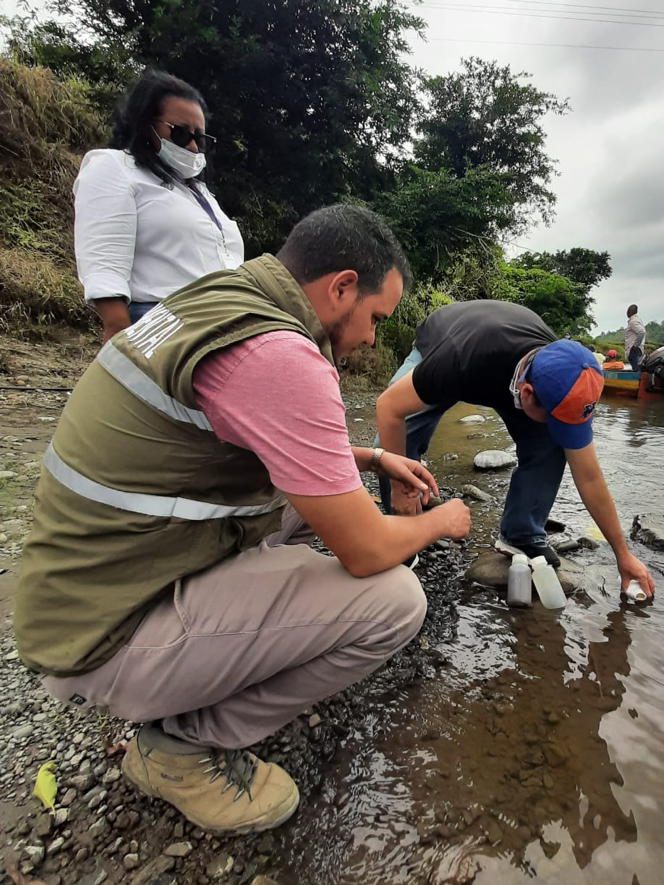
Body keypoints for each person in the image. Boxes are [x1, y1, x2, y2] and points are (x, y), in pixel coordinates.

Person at [14, 205, 471, 834]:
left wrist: (370, 458)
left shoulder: (218, 299)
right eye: (374, 318)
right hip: (102, 637)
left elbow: (254, 433)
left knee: (321, 504)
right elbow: (366, 553)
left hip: (80, 583)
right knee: (394, 600)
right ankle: (179, 749)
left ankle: (198, 672)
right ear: (340, 287)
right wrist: (442, 521)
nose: (371, 337)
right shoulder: (280, 353)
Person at [374, 300, 655, 595]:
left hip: (506, 368)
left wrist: (622, 555)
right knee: (388, 446)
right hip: (444, 341)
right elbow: (388, 406)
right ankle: (400, 535)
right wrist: (398, 487)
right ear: (528, 395)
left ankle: (521, 533)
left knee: (552, 443)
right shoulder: (459, 357)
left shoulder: (567, 381)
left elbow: (589, 476)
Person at [74, 69, 245, 344]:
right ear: (145, 124)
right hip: (164, 326)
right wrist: (119, 338)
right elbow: (104, 260)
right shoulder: (116, 168)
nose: (191, 146)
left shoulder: (198, 193)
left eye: (199, 139)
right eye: (180, 133)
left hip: (224, 325)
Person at [625, 304, 647, 372]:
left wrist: (635, 345)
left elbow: (642, 332)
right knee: (637, 368)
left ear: (630, 312)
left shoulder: (633, 321)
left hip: (634, 349)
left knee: (636, 370)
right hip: (637, 349)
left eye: (628, 311)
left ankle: (637, 381)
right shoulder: (637, 320)